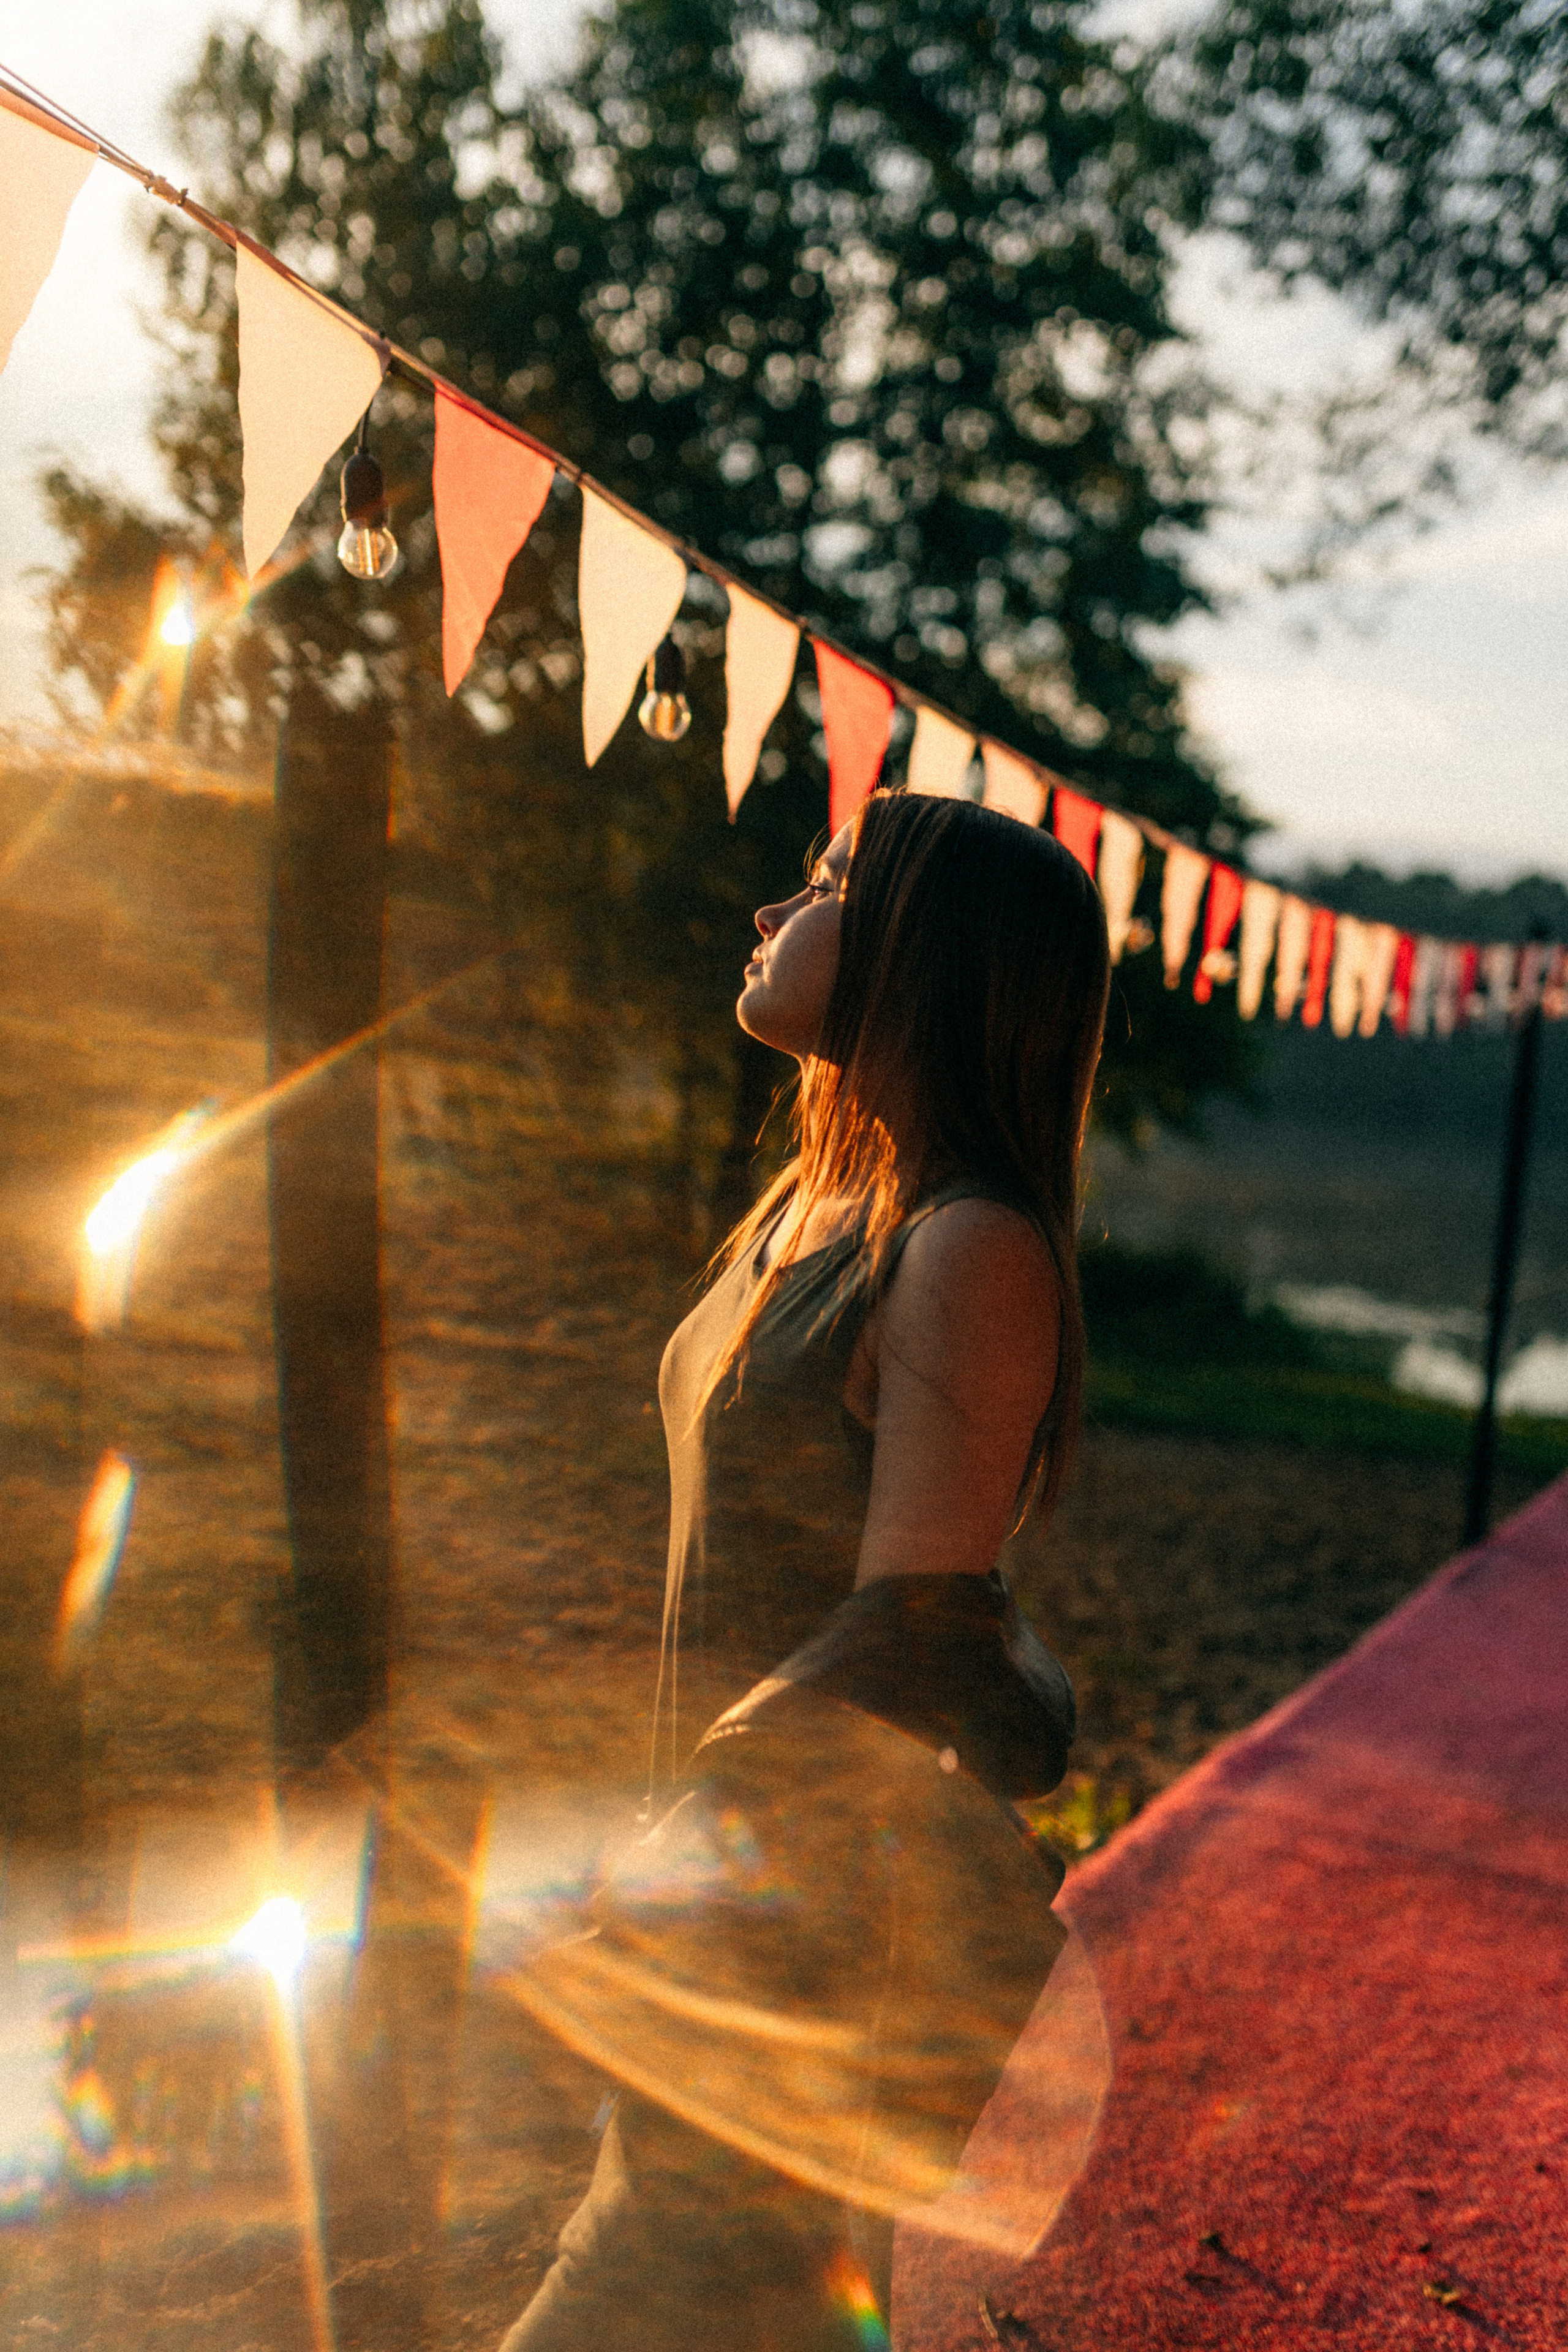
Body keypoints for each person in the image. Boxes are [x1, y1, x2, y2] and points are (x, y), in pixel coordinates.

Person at [500, 787, 1112, 2351]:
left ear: (922, 947)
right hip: (717, 1875)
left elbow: (910, 1637)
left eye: (828, 880)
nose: (774, 910)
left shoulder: (966, 1245)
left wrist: (662, 1871)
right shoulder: (818, 1203)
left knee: (658, 2290)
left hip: (795, 1917)